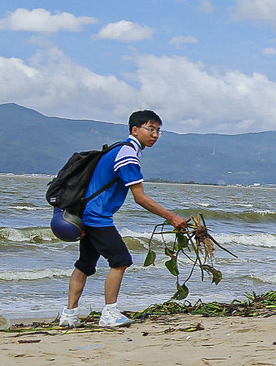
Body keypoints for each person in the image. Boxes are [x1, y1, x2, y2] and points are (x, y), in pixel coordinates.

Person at [59, 110, 188, 328]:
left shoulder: (119, 148)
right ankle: (109, 313)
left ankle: (69, 315)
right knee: (121, 261)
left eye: (158, 131)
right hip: (97, 217)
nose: (155, 135)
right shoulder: (127, 154)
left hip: (87, 214)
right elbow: (139, 197)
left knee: (85, 264)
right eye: (151, 129)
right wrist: (171, 217)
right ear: (134, 130)